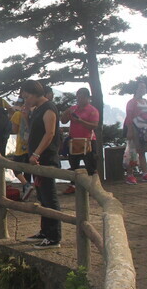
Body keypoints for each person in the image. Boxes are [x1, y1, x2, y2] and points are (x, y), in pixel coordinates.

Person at [19, 80, 61, 249]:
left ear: (36, 93)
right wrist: (25, 116)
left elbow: (50, 133)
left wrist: (36, 153)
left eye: (27, 96)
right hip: (37, 159)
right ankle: (45, 231)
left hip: (46, 159)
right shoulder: (36, 109)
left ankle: (54, 237)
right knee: (43, 196)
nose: (25, 100)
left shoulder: (49, 108)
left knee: (50, 197)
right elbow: (33, 131)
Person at [60, 87, 99, 194]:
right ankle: (73, 185)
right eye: (78, 97)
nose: (79, 100)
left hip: (88, 140)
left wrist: (80, 121)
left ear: (87, 98)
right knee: (74, 165)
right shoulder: (74, 109)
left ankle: (93, 187)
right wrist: (66, 113)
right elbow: (63, 121)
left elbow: (94, 126)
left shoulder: (92, 110)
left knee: (90, 165)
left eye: (82, 97)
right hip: (74, 141)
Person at [123, 81, 147, 184]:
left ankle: (145, 174)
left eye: (144, 87)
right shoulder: (131, 102)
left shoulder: (145, 101)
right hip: (135, 128)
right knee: (132, 152)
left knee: (142, 152)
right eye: (141, 87)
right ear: (136, 89)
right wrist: (130, 131)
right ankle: (130, 175)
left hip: (144, 129)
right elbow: (129, 117)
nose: (144, 89)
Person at [10, 97, 34, 200]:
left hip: (21, 146)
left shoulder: (17, 114)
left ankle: (26, 185)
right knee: (27, 170)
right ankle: (26, 194)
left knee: (15, 168)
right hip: (32, 145)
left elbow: (14, 130)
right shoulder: (33, 113)